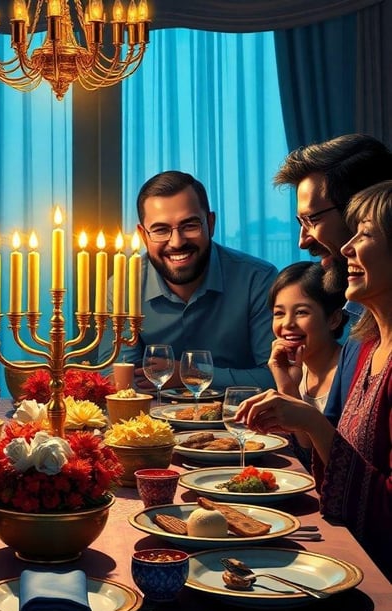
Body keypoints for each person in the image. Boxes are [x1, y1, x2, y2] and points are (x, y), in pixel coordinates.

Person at [237, 180, 392, 581]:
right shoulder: (370, 347)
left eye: (366, 234)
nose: (345, 248)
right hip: (352, 555)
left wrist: (310, 421)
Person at [98, 170, 277, 391]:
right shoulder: (122, 287)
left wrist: (190, 373)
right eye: (160, 230)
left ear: (210, 223)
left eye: (189, 226)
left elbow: (277, 378)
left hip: (240, 421)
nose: (176, 242)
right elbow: (117, 379)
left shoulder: (257, 280)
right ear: (143, 236)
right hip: (151, 421)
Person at [274, 134, 392, 423]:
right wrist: (289, 393)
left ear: (362, 211)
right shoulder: (357, 324)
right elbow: (334, 457)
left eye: (312, 220)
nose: (303, 241)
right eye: (300, 223)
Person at [267, 261, 347, 468]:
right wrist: (287, 387)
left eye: (301, 312)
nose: (287, 324)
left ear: (334, 319)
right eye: (279, 313)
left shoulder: (349, 372)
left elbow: (333, 467)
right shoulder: (298, 368)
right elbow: (306, 453)